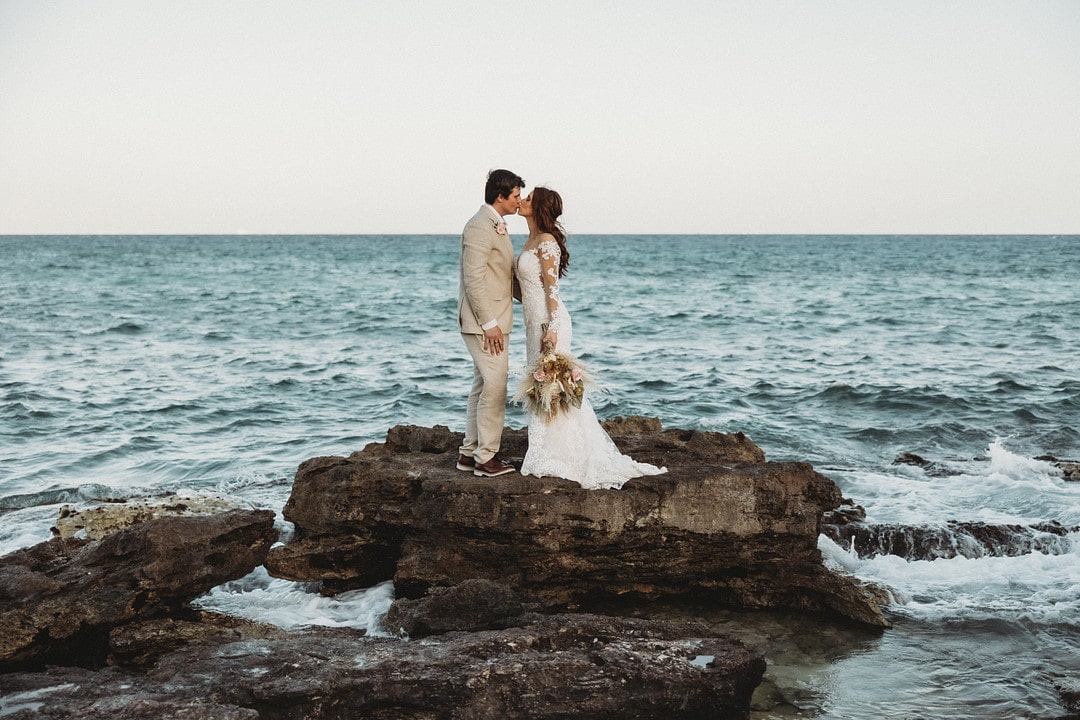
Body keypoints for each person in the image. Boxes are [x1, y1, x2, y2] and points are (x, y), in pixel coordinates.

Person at [514, 187, 666, 489]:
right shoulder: (530, 240)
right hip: (533, 325)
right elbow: (527, 292)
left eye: (529, 198)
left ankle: (562, 455)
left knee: (555, 390)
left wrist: (553, 329)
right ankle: (548, 451)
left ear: (539, 206)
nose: (523, 200)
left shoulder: (546, 242)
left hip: (549, 324)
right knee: (544, 391)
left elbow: (552, 291)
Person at [457, 169, 524, 477]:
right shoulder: (479, 227)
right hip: (485, 323)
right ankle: (487, 458)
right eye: (515, 196)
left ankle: (469, 454)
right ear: (500, 196)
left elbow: (501, 274)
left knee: (482, 385)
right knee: (496, 387)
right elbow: (474, 279)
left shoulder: (495, 225)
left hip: (495, 319)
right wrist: (489, 323)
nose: (519, 201)